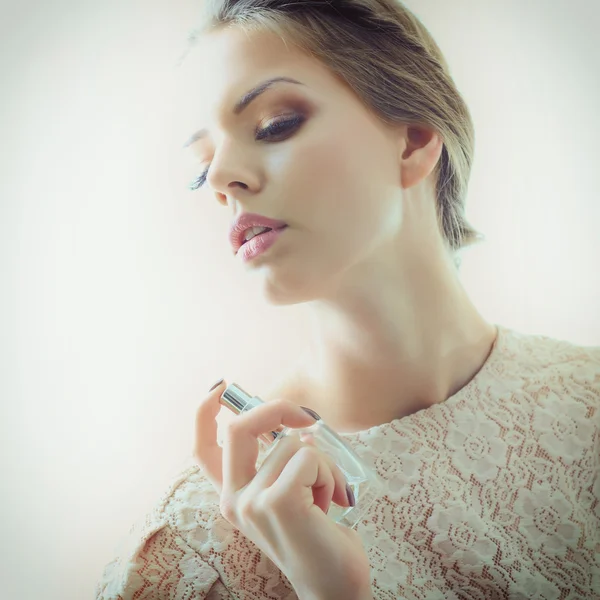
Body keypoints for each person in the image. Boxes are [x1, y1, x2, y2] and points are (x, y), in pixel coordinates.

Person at [95, 1, 600, 598]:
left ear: (413, 139)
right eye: (200, 168)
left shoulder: (587, 407)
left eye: (275, 123)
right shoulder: (193, 556)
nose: (222, 178)